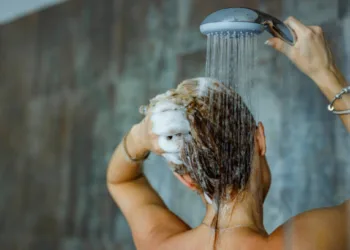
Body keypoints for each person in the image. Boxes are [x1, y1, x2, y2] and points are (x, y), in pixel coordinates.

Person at [107, 17, 350, 250]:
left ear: (187, 180)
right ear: (259, 139)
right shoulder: (307, 242)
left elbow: (121, 180)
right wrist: (325, 72)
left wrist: (142, 134)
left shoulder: (159, 244)